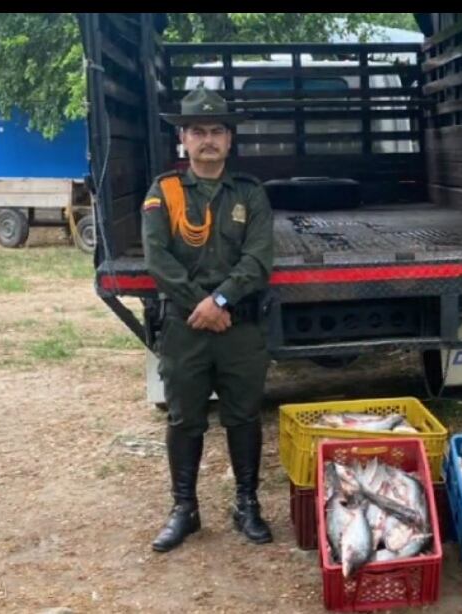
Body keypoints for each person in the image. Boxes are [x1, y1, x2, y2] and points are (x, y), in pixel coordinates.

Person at [143, 85, 275, 551]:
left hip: (237, 327)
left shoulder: (250, 194)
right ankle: (185, 509)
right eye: (197, 131)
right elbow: (158, 260)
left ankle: (247, 505)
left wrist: (219, 302)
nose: (208, 139)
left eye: (217, 130)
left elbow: (259, 259)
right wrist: (203, 305)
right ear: (183, 137)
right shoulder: (165, 192)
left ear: (230, 139)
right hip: (186, 328)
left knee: (243, 417)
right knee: (184, 419)